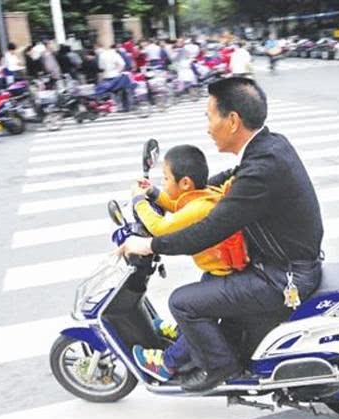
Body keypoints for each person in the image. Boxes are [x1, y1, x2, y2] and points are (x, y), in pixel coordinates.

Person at [118, 77, 324, 391]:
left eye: (209, 116)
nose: (207, 126)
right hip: (277, 265)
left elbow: (209, 230)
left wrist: (148, 244)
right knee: (208, 284)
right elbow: (218, 183)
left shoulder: (261, 169)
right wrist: (166, 194)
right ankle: (190, 346)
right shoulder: (268, 147)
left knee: (183, 302)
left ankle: (219, 367)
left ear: (232, 121)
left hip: (282, 278)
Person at [129, 144, 250, 381]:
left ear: (185, 183)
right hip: (220, 271)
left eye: (165, 179)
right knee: (195, 311)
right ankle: (182, 333)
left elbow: (159, 229)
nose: (163, 183)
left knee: (192, 309)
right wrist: (153, 193)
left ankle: (167, 363)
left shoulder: (199, 207)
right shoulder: (204, 194)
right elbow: (177, 205)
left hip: (224, 275)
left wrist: (138, 201)